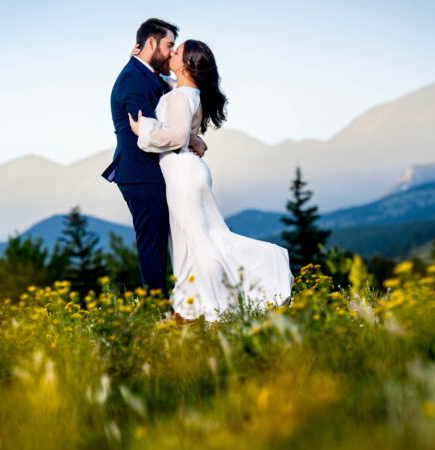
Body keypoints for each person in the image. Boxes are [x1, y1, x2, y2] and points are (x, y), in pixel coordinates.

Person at [128, 39, 293, 322]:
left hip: (182, 173)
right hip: (188, 172)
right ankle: (191, 307)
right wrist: (143, 61)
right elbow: (173, 95)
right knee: (189, 241)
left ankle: (224, 303)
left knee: (200, 241)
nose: (172, 52)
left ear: (188, 66)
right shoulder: (188, 92)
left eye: (177, 51)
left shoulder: (180, 96)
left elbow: (177, 136)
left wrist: (142, 128)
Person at [101, 18, 207, 295]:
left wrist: (188, 134)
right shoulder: (133, 80)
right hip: (140, 173)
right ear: (151, 43)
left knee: (165, 241)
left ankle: (178, 302)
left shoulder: (146, 74)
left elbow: (171, 101)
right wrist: (189, 137)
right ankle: (156, 308)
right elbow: (150, 131)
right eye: (169, 45)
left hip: (149, 171)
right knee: (153, 244)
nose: (172, 52)